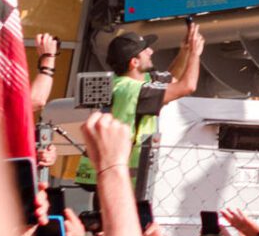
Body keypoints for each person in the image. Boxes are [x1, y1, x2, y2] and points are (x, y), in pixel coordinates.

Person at [74, 24, 202, 192]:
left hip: (113, 178)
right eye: (145, 50)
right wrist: (195, 54)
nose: (151, 52)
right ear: (134, 62)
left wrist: (184, 51)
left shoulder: (127, 83)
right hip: (127, 184)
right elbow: (187, 86)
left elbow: (172, 78)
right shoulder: (134, 91)